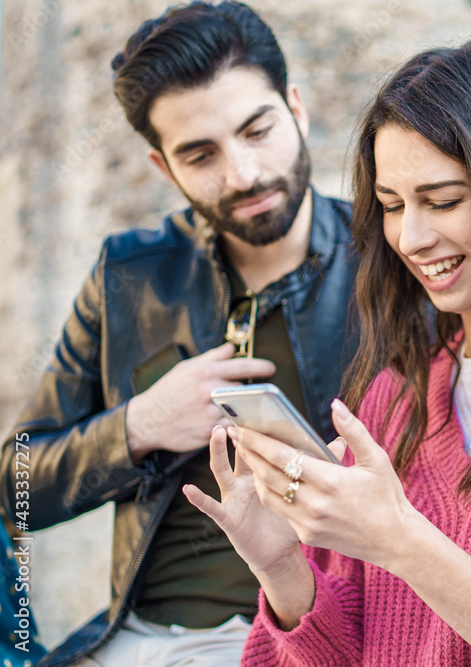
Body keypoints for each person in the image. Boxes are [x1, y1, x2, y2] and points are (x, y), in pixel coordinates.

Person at [185, 40, 471, 665]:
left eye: (443, 201)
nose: (411, 237)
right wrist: (282, 569)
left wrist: (401, 540)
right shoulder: (392, 401)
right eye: (390, 206)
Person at [0, 2, 358, 665]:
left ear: (298, 110)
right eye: (201, 155)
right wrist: (138, 424)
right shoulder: (129, 274)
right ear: (164, 168)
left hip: (311, 634)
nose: (242, 174)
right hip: (134, 639)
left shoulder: (387, 260)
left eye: (257, 131)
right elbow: (16, 486)